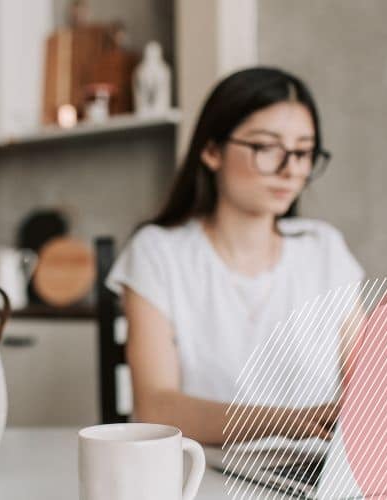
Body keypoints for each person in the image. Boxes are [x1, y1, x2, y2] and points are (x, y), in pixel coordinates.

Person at [105, 67, 364, 445]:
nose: (291, 169)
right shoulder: (158, 252)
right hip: (203, 473)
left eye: (304, 152)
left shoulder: (325, 249)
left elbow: (364, 389)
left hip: (312, 475)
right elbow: (155, 408)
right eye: (266, 147)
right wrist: (285, 422)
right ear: (212, 151)